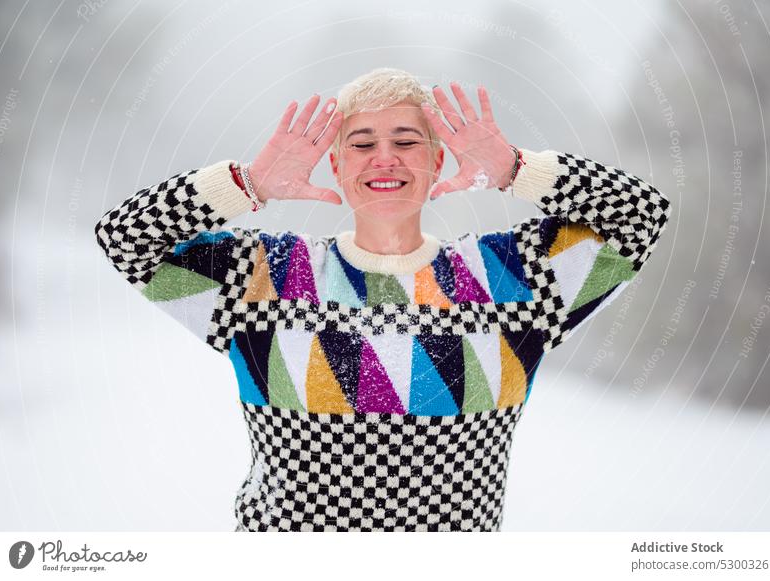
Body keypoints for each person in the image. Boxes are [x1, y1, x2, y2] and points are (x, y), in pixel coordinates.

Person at [95, 67, 671, 532]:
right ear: (337, 165)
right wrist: (251, 184)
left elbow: (640, 217)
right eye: (362, 142)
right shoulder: (266, 280)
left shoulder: (511, 281)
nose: (385, 157)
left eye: (407, 140)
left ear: (438, 160)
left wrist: (516, 170)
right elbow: (127, 240)